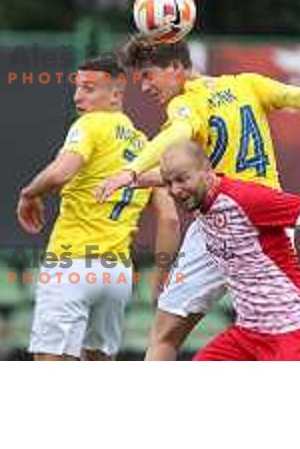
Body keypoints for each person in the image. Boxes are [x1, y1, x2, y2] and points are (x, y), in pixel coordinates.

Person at [96, 38, 300, 361]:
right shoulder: (246, 85)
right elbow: (299, 96)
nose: (146, 86)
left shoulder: (186, 105)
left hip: (228, 218)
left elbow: (176, 134)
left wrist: (132, 171)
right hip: (265, 217)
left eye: (149, 75)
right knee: (263, 317)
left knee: (164, 335)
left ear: (177, 68)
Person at [159, 141, 300, 361]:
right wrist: (129, 176)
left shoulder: (245, 198)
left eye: (182, 179)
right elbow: (164, 177)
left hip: (295, 330)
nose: (175, 190)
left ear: (207, 171)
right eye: (168, 183)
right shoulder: (199, 201)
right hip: (249, 333)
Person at [17, 54, 180, 361]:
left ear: (116, 95)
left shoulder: (90, 125)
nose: (79, 96)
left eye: (89, 88)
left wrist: (28, 194)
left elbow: (61, 172)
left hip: (71, 264)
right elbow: (170, 220)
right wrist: (161, 277)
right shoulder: (145, 146)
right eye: (77, 88)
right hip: (117, 275)